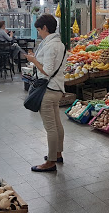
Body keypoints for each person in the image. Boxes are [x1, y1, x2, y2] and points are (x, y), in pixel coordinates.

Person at [25, 14, 66, 172]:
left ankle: (51, 162)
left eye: (39, 30)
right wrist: (36, 59)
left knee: (50, 128)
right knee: (57, 124)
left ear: (45, 28)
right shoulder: (59, 44)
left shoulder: (50, 46)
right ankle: (58, 154)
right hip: (57, 88)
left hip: (48, 90)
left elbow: (47, 71)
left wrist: (34, 61)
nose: (39, 33)